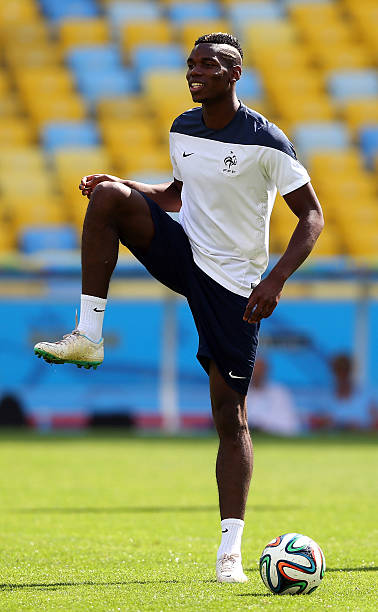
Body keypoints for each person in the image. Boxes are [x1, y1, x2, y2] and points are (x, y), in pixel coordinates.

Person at [34, 33, 324, 582]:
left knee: (228, 415)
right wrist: (122, 183)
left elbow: (312, 217)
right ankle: (88, 335)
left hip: (235, 285)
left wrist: (275, 279)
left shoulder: (267, 140)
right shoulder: (182, 128)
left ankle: (229, 553)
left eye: (210, 64)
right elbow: (175, 195)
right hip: (185, 251)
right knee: (108, 199)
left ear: (235, 74)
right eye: (192, 64)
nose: (196, 72)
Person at [247, 357, 301, 436]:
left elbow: (290, 425)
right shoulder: (239, 393)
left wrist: (263, 426)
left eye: (260, 370)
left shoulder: (279, 393)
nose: (257, 374)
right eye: (254, 370)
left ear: (266, 371)